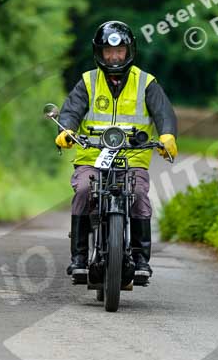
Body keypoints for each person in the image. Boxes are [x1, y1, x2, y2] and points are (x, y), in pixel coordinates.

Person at [55, 20, 178, 279]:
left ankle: (141, 260)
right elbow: (70, 112)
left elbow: (163, 112)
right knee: (85, 192)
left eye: (119, 51)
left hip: (132, 159)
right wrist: (65, 131)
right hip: (92, 157)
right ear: (99, 53)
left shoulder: (146, 82)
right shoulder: (88, 81)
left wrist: (167, 135)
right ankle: (78, 257)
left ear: (129, 51)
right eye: (108, 52)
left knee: (139, 195)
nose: (113, 57)